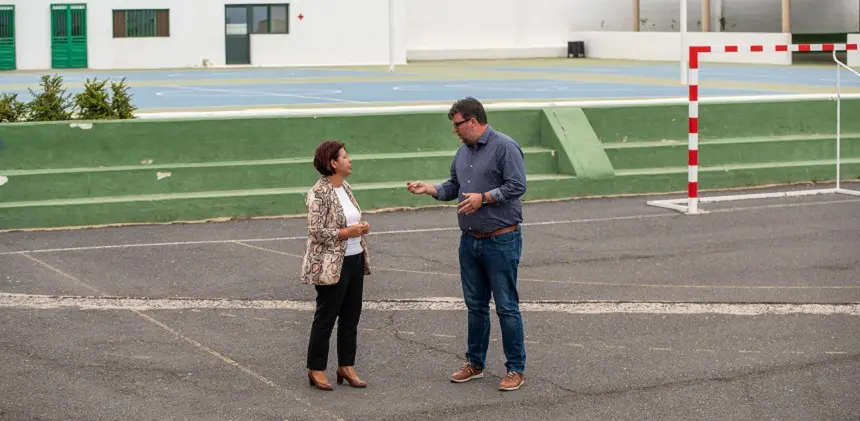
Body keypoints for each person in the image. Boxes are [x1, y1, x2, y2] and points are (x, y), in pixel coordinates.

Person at [406, 97, 528, 391]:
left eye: (457, 125)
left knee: (507, 307)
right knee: (475, 307)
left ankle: (515, 369)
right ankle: (474, 362)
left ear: (472, 121)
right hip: (470, 242)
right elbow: (454, 186)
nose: (456, 131)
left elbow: (517, 185)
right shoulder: (462, 153)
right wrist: (431, 189)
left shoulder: (505, 147)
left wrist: (484, 198)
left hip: (501, 240)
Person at [301, 140, 372, 391]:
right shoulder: (319, 192)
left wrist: (360, 228)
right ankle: (316, 368)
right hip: (331, 264)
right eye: (344, 156)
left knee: (351, 316)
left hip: (354, 258)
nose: (349, 160)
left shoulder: (345, 187)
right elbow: (315, 231)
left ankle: (346, 366)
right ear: (333, 163)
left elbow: (350, 220)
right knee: (326, 317)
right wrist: (347, 232)